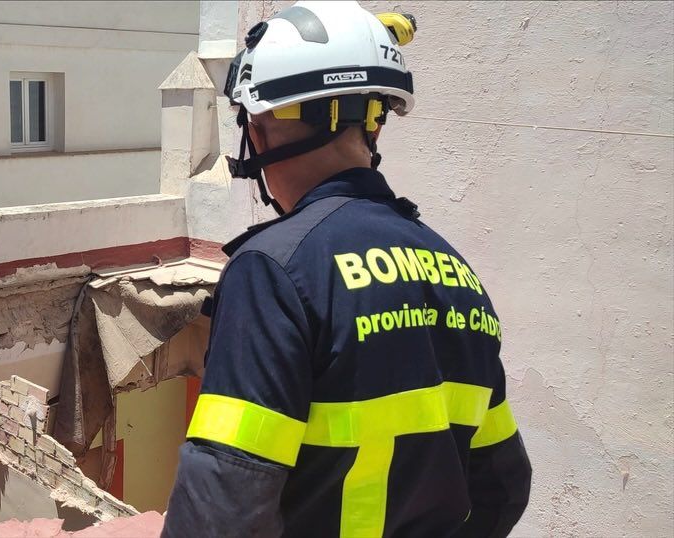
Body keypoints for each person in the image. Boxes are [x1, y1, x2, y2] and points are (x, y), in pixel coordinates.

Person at [161, 2, 532, 537]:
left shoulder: (272, 272)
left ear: (260, 130)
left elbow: (222, 507)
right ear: (372, 127)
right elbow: (503, 485)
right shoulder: (455, 271)